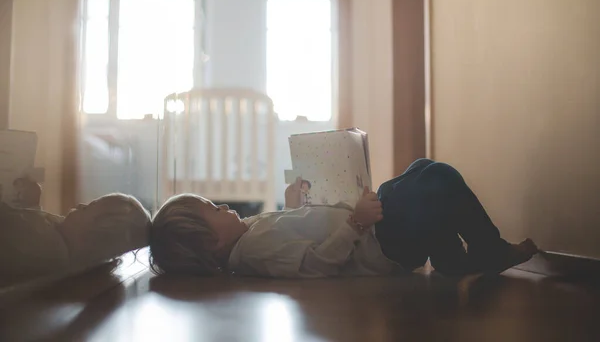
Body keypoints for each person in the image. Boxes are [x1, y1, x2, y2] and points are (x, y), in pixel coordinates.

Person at [149, 159, 538, 278]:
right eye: (213, 211)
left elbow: (291, 234)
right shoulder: (254, 252)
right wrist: (355, 223)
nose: (223, 206)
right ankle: (488, 250)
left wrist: (290, 205)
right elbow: (316, 263)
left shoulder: (250, 235)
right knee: (436, 179)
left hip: (372, 232)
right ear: (211, 243)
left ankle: (451, 259)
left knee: (421, 170)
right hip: (379, 245)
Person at [0, 178, 151, 285]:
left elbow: (14, 226)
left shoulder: (46, 246)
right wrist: (31, 203)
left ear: (92, 237)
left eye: (87, 208)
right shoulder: (62, 237)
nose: (79, 205)